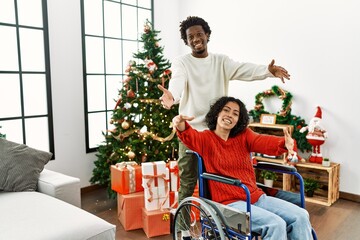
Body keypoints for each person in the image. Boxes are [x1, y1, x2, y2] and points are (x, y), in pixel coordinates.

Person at [158, 16, 291, 212]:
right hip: (191, 132)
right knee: (187, 183)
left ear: (207, 35)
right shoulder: (182, 62)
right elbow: (178, 80)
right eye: (190, 37)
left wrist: (267, 71)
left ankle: (218, 219)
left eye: (199, 34)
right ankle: (184, 229)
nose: (196, 39)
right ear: (186, 41)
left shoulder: (220, 61)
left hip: (218, 133)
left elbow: (244, 69)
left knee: (218, 183)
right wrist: (173, 97)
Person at [173, 96, 313, 240]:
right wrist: (180, 124)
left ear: (238, 120)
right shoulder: (206, 139)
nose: (230, 115)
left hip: (255, 197)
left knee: (301, 216)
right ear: (217, 113)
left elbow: (263, 141)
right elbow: (189, 136)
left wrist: (284, 143)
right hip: (228, 205)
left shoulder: (244, 136)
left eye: (235, 113)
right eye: (226, 110)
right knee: (275, 224)